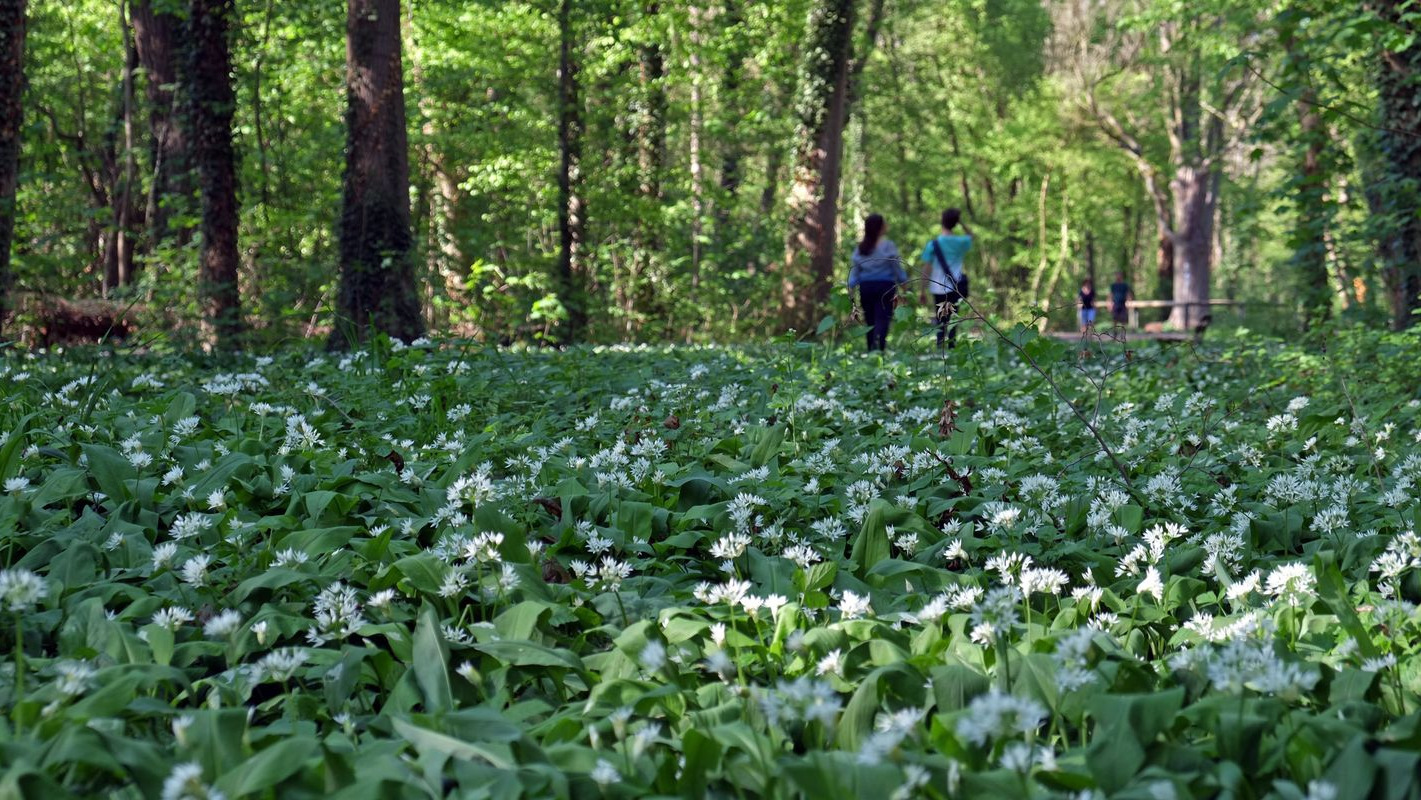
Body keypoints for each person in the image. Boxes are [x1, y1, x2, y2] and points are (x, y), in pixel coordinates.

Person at [847, 213, 907, 352]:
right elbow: (896, 268)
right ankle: (880, 349)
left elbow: (855, 272)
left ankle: (871, 349)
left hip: (866, 288)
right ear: (880, 227)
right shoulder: (888, 246)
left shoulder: (861, 248)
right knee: (883, 318)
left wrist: (850, 288)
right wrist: (904, 285)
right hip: (885, 287)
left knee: (870, 320)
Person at [918, 208, 972, 348]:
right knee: (953, 318)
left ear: (942, 222)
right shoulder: (961, 242)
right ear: (955, 223)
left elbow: (926, 268)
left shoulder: (933, 244)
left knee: (940, 319)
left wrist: (922, 290)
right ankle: (952, 346)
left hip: (938, 287)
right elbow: (971, 235)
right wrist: (961, 223)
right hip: (956, 286)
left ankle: (940, 347)